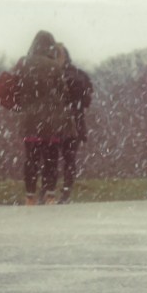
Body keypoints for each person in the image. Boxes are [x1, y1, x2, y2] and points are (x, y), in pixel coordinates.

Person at [13, 30, 69, 205]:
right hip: (51, 119)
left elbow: (14, 87)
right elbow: (63, 92)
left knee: (31, 158)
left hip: (30, 119)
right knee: (51, 158)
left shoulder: (23, 63)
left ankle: (30, 195)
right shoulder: (54, 66)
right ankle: (50, 194)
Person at [55, 42, 93, 204]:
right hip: (75, 121)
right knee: (69, 159)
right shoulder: (80, 75)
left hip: (55, 122)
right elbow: (86, 101)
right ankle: (65, 192)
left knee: (51, 159)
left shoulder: (52, 75)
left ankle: (48, 192)